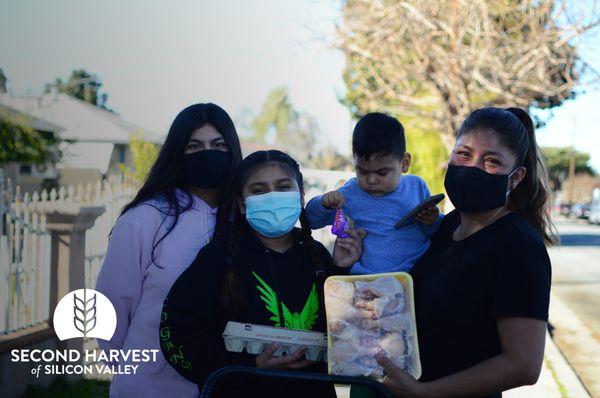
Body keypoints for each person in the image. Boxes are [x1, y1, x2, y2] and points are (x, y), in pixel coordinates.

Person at [376, 107, 554, 398]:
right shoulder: (447, 226)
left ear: (516, 177)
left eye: (492, 161)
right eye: (463, 154)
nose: (473, 167)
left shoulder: (518, 246)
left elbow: (523, 364)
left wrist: (425, 393)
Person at [159, 150, 366, 397]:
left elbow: (345, 331)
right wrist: (249, 367)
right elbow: (179, 333)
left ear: (300, 196)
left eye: (282, 186)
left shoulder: (318, 257)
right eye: (258, 190)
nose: (272, 197)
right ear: (241, 203)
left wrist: (340, 270)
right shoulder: (219, 258)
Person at [95, 103, 242, 397]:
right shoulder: (143, 219)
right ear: (177, 152)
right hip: (149, 387)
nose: (207, 154)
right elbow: (111, 310)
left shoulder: (246, 220)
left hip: (230, 384)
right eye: (194, 146)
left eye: (218, 145)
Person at [305, 112, 442, 275]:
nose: (371, 180)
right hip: (369, 280)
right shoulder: (348, 195)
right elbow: (310, 220)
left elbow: (436, 231)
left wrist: (432, 220)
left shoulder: (416, 186)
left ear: (404, 163)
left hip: (418, 274)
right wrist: (323, 202)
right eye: (362, 171)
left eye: (381, 173)